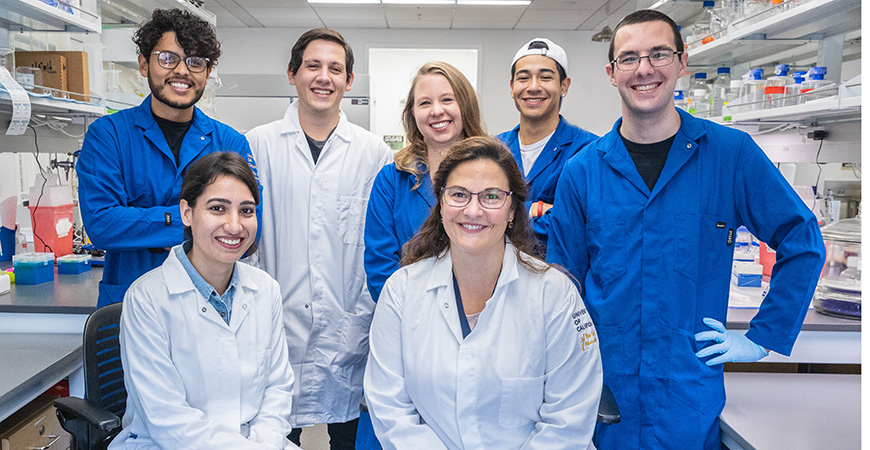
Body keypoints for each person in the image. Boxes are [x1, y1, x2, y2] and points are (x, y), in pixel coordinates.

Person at [546, 9, 826, 449]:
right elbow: (561, 288)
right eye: (629, 58)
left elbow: (803, 240)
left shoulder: (730, 155)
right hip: (602, 395)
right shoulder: (582, 172)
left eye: (659, 53)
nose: (644, 69)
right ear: (612, 73)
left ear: (682, 63)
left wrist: (761, 338)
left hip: (687, 400)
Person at [365, 136, 603, 449]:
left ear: (512, 211)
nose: (473, 210)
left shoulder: (555, 295)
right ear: (441, 205)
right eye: (459, 195)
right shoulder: (402, 291)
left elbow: (569, 419)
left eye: (491, 197)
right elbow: (392, 411)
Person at [245, 28, 392, 449]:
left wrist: (363, 315)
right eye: (313, 66)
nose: (323, 77)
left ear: (348, 81)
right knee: (271, 436)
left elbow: (377, 243)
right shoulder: (257, 144)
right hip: (276, 331)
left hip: (348, 333)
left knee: (349, 439)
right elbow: (245, 241)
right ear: (292, 74)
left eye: (335, 68)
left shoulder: (373, 153)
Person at [111, 152, 295, 450]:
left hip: (256, 442)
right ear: (186, 212)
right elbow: (167, 419)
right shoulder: (146, 299)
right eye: (218, 208)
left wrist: (265, 444)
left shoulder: (265, 289)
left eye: (246, 211)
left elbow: (278, 389)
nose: (235, 226)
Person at [77, 8, 258, 307]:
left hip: (209, 305)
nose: (182, 71)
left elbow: (251, 226)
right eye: (167, 58)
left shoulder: (229, 142)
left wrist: (144, 222)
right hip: (127, 303)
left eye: (195, 62)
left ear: (207, 73)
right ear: (144, 64)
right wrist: (195, 219)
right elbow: (103, 226)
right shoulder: (108, 135)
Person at [358, 60, 486, 450]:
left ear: (464, 105)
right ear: (413, 115)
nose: (437, 111)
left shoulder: (492, 169)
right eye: (424, 102)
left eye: (447, 99)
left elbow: (506, 250)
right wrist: (422, 319)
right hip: (407, 330)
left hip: (481, 329)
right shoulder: (392, 180)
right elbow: (379, 265)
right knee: (396, 424)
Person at [496, 38, 597, 246]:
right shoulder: (494, 150)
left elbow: (578, 223)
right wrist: (538, 209)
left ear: (564, 86)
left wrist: (505, 216)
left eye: (545, 77)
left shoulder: (589, 151)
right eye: (523, 78)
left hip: (559, 273)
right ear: (512, 87)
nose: (533, 87)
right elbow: (479, 212)